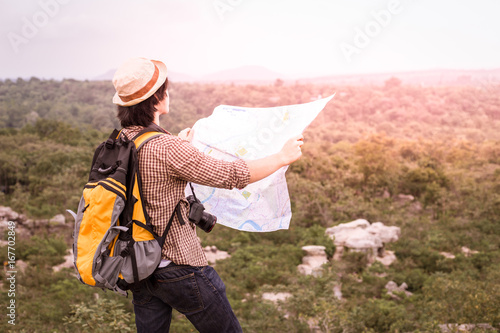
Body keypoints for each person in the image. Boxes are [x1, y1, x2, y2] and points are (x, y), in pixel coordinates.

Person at [112, 57, 304, 333]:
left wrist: (180, 147)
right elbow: (232, 175)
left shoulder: (121, 142)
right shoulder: (167, 148)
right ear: (156, 99)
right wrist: (281, 157)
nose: (168, 93)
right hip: (179, 266)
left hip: (138, 267)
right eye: (165, 89)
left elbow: (150, 180)